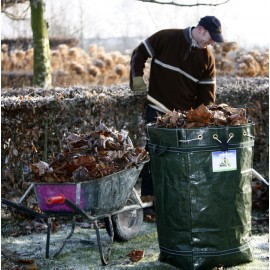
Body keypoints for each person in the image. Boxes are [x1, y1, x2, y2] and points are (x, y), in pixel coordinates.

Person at [129, 16, 224, 220]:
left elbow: (207, 95)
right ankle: (150, 205)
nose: (213, 43)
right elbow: (139, 53)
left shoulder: (207, 58)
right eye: (211, 38)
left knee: (181, 161)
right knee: (154, 155)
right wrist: (137, 78)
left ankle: (177, 204)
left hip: (183, 118)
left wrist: (202, 117)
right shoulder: (166, 38)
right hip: (157, 110)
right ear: (200, 30)